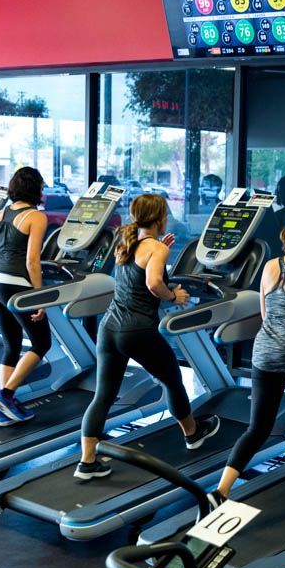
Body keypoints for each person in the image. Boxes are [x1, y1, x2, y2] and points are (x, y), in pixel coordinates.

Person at [75, 192, 219, 480]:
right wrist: (174, 296)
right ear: (160, 217)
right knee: (172, 380)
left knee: (104, 395)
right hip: (137, 329)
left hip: (110, 327)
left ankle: (87, 463)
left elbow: (139, 272)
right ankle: (192, 433)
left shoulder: (127, 242)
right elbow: (154, 283)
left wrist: (158, 252)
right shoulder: (156, 249)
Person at [208, 211, 285, 506]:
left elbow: (269, 313)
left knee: (258, 428)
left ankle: (221, 491)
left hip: (264, 351)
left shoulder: (269, 267)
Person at [0, 166, 52, 427]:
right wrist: (39, 296)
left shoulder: (1, 213)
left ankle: (5, 411)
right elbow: (32, 261)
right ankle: (6, 394)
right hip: (15, 284)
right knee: (42, 342)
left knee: (11, 345)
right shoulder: (35, 217)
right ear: (36, 188)